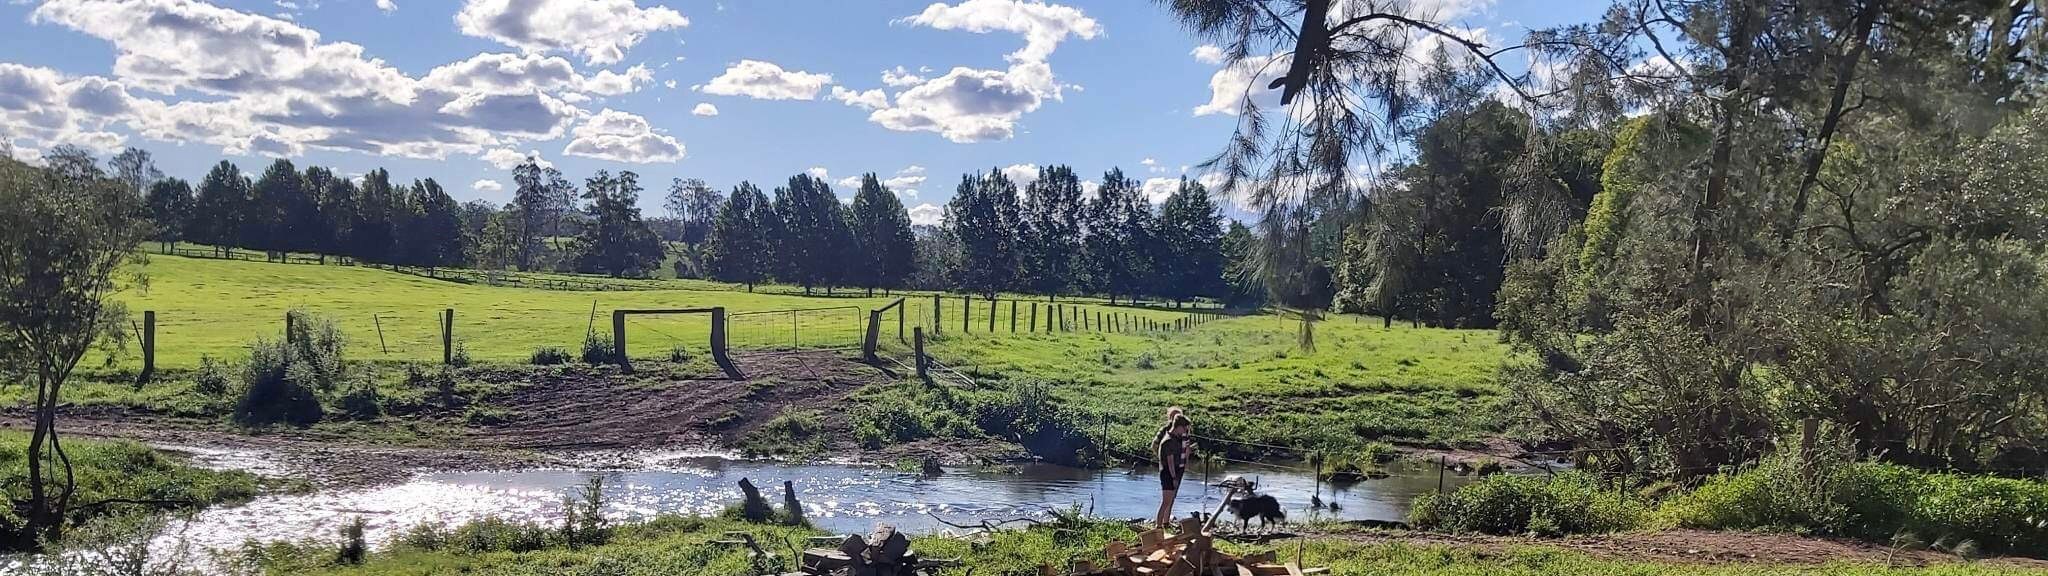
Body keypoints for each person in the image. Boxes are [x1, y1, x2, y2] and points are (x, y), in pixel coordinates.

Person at [1152, 407, 1194, 528]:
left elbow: (1185, 449)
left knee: (1171, 497)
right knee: (1166, 500)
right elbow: (1167, 457)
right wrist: (1161, 459)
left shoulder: (1181, 436)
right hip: (1169, 470)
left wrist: (1186, 455)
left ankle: (1165, 523)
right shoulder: (1168, 437)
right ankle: (1159, 526)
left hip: (1177, 467)